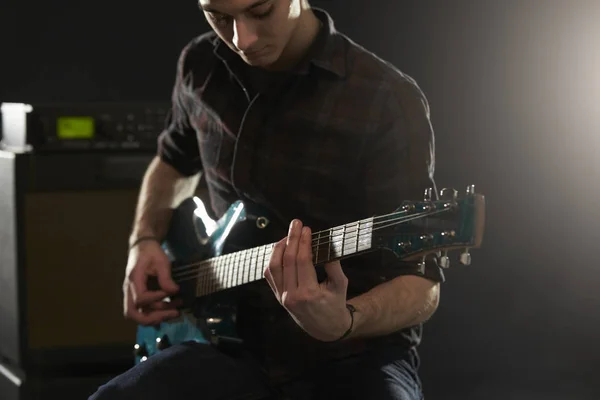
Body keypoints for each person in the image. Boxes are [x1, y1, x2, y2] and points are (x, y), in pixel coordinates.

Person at [90, 0, 444, 399]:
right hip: (221, 344)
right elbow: (172, 162)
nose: (243, 39)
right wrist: (144, 240)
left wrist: (345, 320)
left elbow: (422, 283)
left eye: (260, 11)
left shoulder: (386, 99)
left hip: (351, 353)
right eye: (220, 17)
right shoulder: (200, 64)